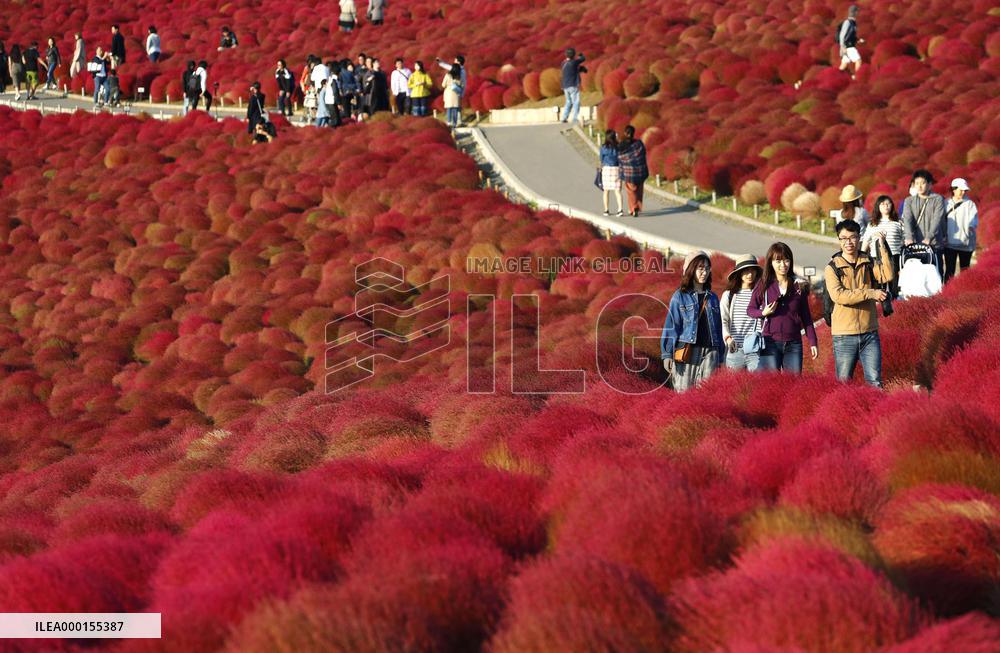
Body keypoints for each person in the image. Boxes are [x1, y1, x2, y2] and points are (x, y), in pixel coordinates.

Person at [825, 220, 894, 387]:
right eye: (844, 238)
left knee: (875, 382)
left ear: (859, 238)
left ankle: (876, 413)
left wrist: (882, 246)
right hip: (844, 335)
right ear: (839, 240)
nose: (848, 242)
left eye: (852, 237)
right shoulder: (832, 267)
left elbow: (887, 275)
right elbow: (840, 296)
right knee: (843, 384)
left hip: (869, 332)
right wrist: (870, 293)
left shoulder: (868, 261)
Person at [747, 242, 818, 374]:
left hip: (794, 343)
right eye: (778, 261)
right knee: (770, 385)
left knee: (793, 386)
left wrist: (813, 341)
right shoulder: (764, 284)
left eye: (786, 260)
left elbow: (806, 317)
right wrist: (763, 312)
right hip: (770, 342)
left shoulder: (799, 285)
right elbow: (750, 309)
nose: (783, 265)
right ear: (771, 263)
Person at [660, 251, 725, 392]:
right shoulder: (680, 296)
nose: (704, 272)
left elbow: (718, 328)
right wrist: (667, 354)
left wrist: (721, 355)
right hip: (688, 351)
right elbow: (672, 326)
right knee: (684, 392)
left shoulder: (713, 297)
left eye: (707, 268)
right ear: (691, 269)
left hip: (710, 352)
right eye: (700, 268)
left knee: (707, 394)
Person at [721, 254, 764, 371]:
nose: (750, 274)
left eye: (752, 270)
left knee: (757, 386)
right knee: (733, 387)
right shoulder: (729, 295)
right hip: (735, 349)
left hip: (755, 350)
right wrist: (728, 338)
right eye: (746, 271)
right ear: (739, 273)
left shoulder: (760, 294)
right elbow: (724, 320)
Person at [901, 169, 946, 275]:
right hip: (915, 245)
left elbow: (937, 219)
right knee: (917, 275)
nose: (919, 186)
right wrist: (909, 237)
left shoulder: (938, 199)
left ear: (930, 184)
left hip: (934, 244)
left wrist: (929, 237)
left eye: (923, 183)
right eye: (917, 183)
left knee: (936, 273)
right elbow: (907, 220)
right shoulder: (909, 201)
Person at [861, 195, 905, 298]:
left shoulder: (898, 222)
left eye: (888, 203)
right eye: (882, 204)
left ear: (892, 206)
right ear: (878, 206)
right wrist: (862, 255)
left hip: (893, 257)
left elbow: (904, 239)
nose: (885, 206)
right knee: (878, 285)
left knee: (894, 285)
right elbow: (866, 240)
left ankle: (893, 305)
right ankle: (880, 308)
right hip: (877, 258)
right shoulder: (872, 224)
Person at [942, 178, 978, 282]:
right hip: (949, 243)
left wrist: (971, 227)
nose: (963, 192)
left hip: (966, 243)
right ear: (953, 189)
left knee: (965, 270)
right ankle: (947, 291)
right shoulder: (946, 203)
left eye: (965, 190)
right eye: (960, 190)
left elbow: (973, 219)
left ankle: (963, 290)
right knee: (949, 270)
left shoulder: (970, 204)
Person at [618, 125, 649, 217]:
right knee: (639, 190)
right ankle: (638, 207)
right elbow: (643, 154)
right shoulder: (639, 143)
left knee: (631, 191)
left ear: (625, 133)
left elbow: (620, 157)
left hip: (629, 173)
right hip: (640, 171)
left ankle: (633, 208)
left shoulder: (621, 145)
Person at [599, 130, 623, 216]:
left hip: (606, 169)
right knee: (617, 191)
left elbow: (601, 159)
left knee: (606, 191)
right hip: (616, 169)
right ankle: (620, 209)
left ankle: (606, 210)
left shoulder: (603, 147)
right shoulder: (618, 147)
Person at [560, 47, 587, 125]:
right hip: (573, 85)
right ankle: (575, 118)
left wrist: (579, 70)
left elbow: (571, 71)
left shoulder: (563, 63)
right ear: (573, 55)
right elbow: (582, 59)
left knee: (568, 101)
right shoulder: (574, 62)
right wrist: (581, 55)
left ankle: (564, 117)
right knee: (576, 102)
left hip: (565, 85)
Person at [837, 5, 864, 80]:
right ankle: (857, 77)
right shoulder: (848, 22)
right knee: (858, 60)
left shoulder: (853, 22)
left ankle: (835, 75)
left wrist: (858, 40)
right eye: (857, 11)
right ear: (854, 12)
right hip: (848, 47)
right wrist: (842, 47)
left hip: (849, 46)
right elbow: (842, 35)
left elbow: (851, 36)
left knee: (843, 65)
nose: (858, 13)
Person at [443, 63, 463, 128]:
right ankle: (454, 123)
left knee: (449, 109)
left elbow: (443, 85)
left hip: (448, 93)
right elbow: (462, 86)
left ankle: (449, 122)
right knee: (455, 109)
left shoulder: (447, 75)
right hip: (456, 94)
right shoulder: (459, 76)